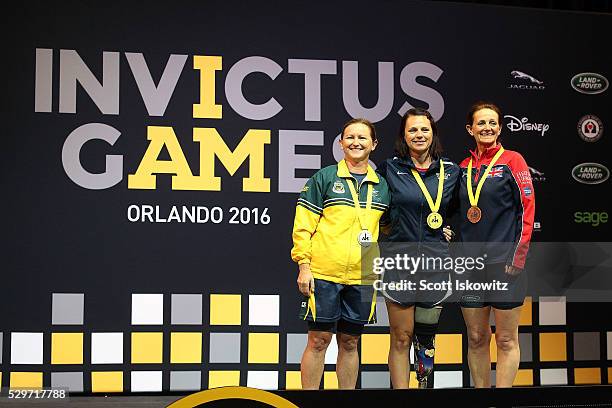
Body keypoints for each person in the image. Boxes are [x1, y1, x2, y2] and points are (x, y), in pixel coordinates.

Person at [291, 118, 391, 389]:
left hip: (363, 276)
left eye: (362, 138)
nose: (355, 142)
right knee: (318, 340)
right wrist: (304, 266)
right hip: (324, 273)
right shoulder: (324, 178)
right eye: (349, 137)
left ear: (373, 144)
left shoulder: (382, 186)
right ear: (341, 143)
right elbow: (303, 227)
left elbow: (389, 227)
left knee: (350, 342)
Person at [376, 108, 460, 388]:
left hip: (435, 266)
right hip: (398, 264)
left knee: (426, 338)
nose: (419, 135)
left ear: (433, 133)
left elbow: (465, 211)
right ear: (404, 136)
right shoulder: (390, 169)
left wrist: (449, 231)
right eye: (412, 130)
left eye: (424, 129)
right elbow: (375, 209)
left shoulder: (451, 171)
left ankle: (425, 395)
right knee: (401, 337)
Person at [458, 101, 535, 388]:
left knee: (505, 338)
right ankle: (482, 398)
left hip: (506, 265)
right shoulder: (464, 167)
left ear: (500, 127)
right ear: (470, 129)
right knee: (477, 337)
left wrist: (518, 256)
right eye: (481, 123)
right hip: (471, 267)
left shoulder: (513, 160)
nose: (487, 128)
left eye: (492, 123)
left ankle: (501, 399)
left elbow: (528, 209)